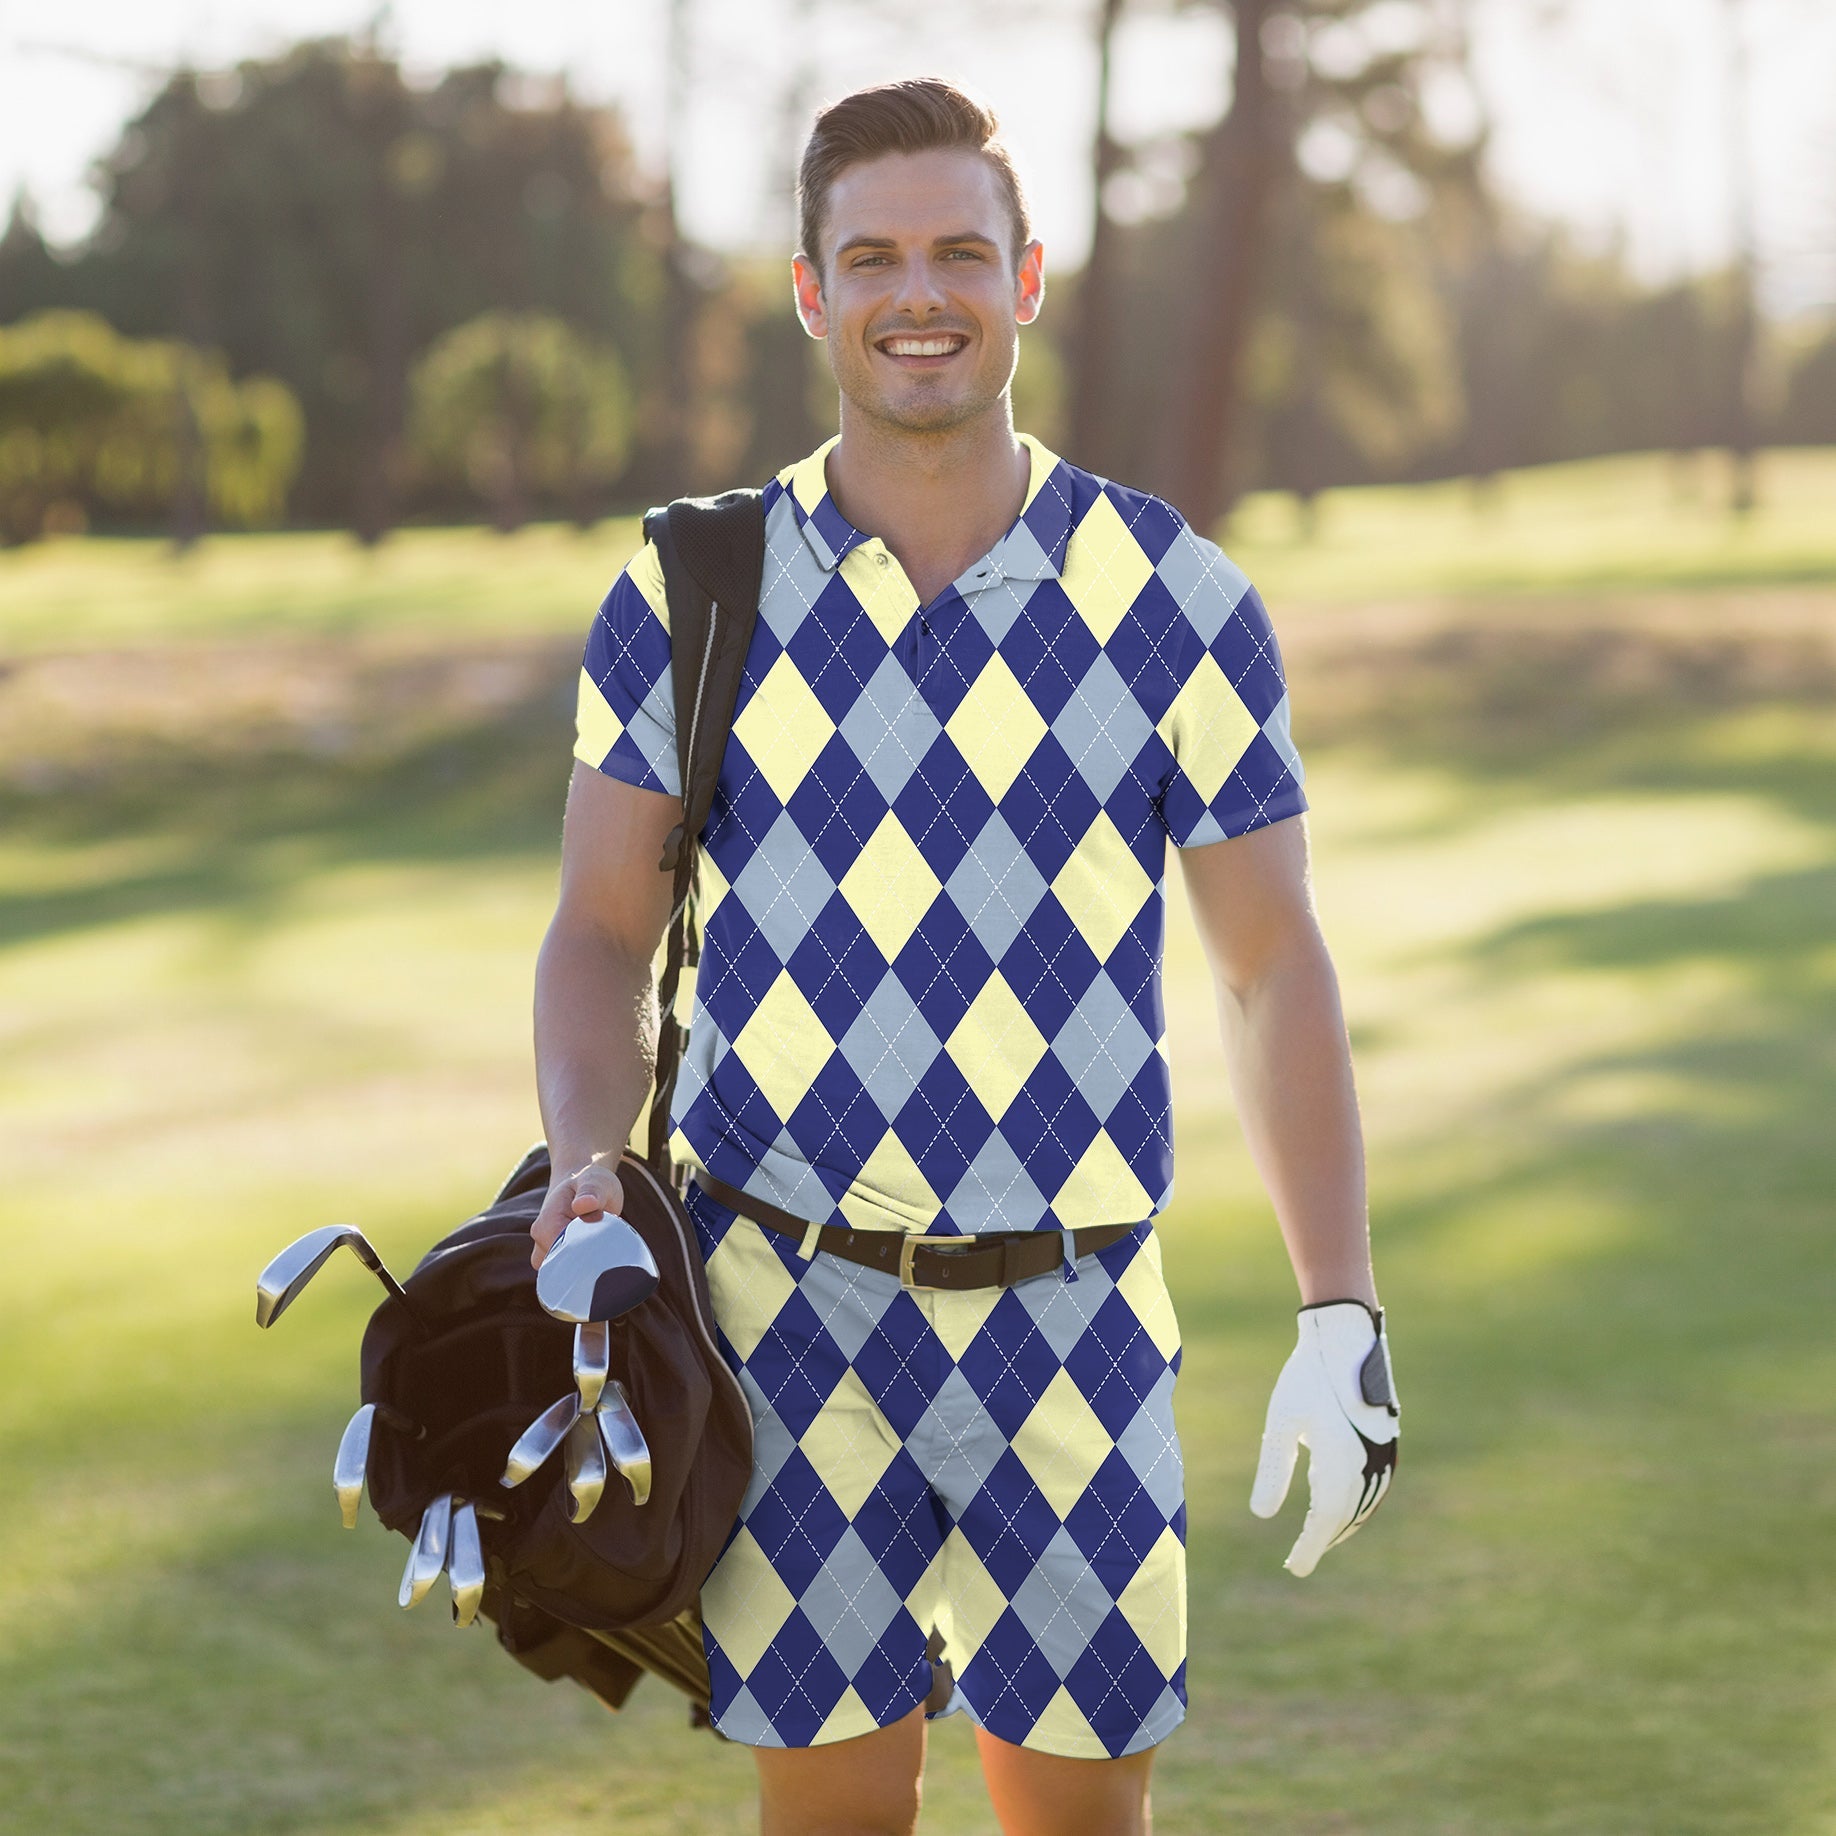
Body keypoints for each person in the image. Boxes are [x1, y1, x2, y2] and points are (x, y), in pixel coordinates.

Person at [531, 77, 1395, 1836]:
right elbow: (602, 929)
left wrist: (1341, 1308)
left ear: (1029, 277)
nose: (916, 291)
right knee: (835, 1818)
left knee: (1081, 1818)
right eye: (873, 257)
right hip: (783, 1312)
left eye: (957, 252)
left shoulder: (1176, 595)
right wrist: (583, 1162)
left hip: (1078, 1310)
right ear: (809, 291)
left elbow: (1269, 968)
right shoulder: (698, 584)